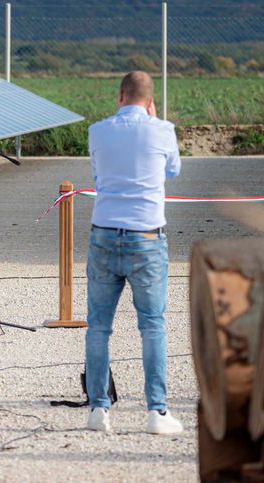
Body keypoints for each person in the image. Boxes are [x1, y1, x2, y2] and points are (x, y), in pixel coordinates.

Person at [84, 71, 183, 435]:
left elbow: (98, 176)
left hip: (105, 233)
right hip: (147, 236)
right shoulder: (162, 129)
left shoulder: (98, 131)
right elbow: (173, 169)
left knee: (98, 326)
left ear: (120, 95)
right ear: (150, 99)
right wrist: (155, 122)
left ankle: (98, 408)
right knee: (152, 324)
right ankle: (157, 412)